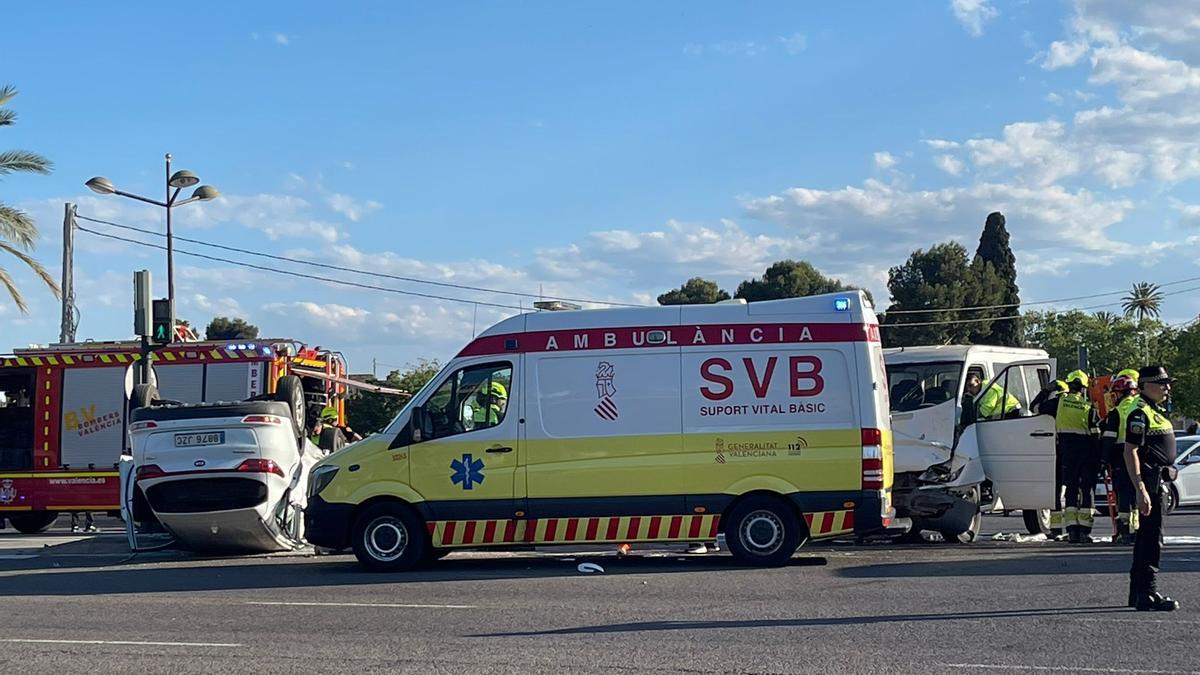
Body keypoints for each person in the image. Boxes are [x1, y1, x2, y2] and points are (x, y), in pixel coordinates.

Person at [1123, 366, 1180, 611]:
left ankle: (1138, 593)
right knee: (1151, 539)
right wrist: (1141, 488)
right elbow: (1131, 450)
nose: (1167, 387)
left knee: (1146, 538)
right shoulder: (1139, 412)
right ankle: (1147, 592)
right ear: (1146, 385)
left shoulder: (1153, 411)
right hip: (1150, 482)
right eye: (1162, 383)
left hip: (1157, 481)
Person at [1037, 370, 1101, 542]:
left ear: (1069, 385)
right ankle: (1085, 532)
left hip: (1066, 453)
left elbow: (1035, 408)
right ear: (1084, 388)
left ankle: (1072, 532)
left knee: (1071, 490)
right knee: (1087, 491)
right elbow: (1096, 435)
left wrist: (1046, 391)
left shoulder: (1058, 402)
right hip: (1087, 454)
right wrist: (1101, 459)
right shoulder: (1089, 408)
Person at [1102, 371, 1141, 545]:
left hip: (1121, 456)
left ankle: (1125, 530)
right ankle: (1138, 529)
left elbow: (1109, 438)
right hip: (1142, 455)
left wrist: (1103, 459)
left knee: (1124, 493)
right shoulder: (1142, 406)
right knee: (1139, 492)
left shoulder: (1117, 412)